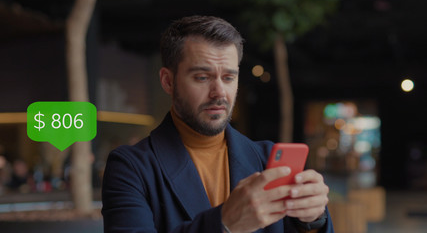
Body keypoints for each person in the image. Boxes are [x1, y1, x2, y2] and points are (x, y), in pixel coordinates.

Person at [102, 15, 333, 233]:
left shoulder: (267, 160)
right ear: (168, 81)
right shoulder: (131, 168)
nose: (219, 92)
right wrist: (224, 224)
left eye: (228, 78)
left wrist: (313, 220)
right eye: (202, 77)